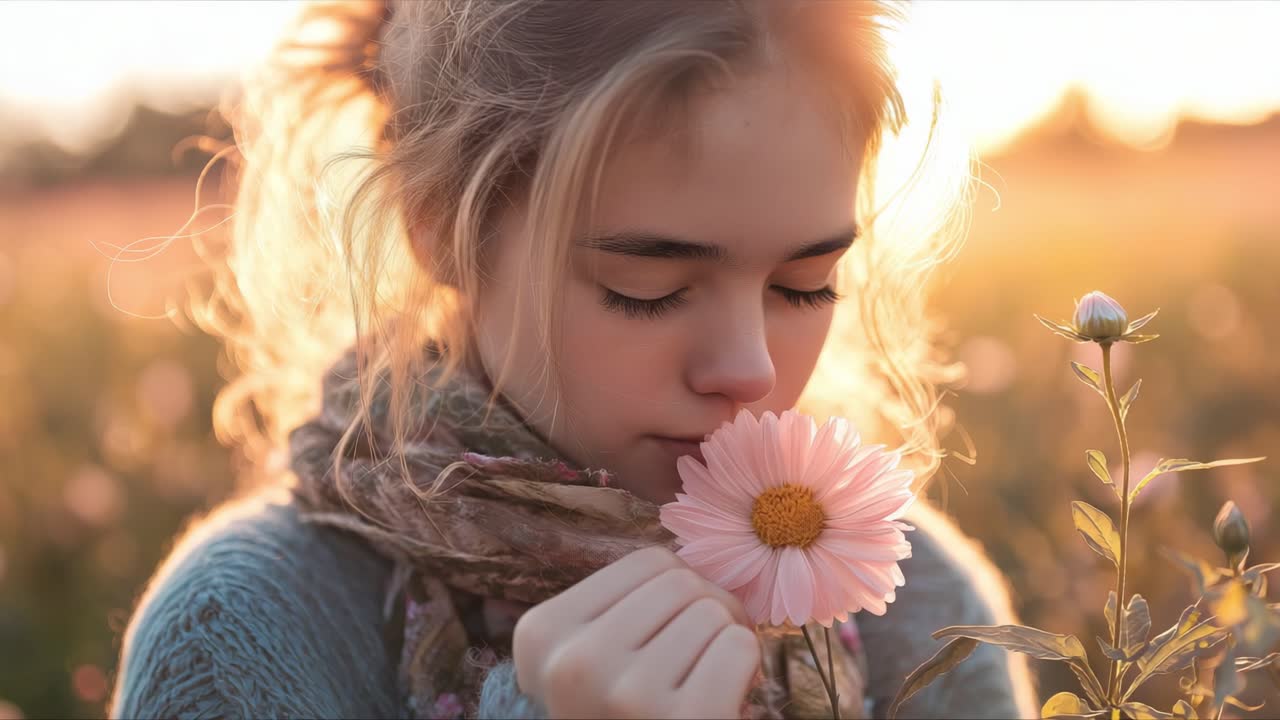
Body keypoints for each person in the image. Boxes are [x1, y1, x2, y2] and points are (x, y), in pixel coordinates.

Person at [110, 1, 1040, 718]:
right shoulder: (241, 630)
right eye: (649, 288)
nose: (750, 370)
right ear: (442, 231)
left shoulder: (912, 602)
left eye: (805, 284)